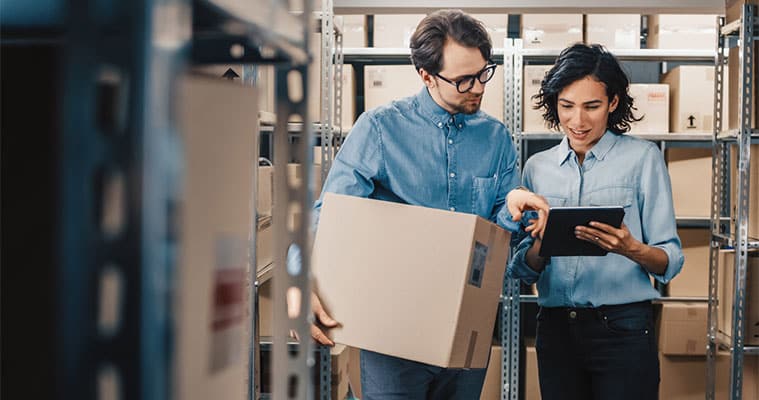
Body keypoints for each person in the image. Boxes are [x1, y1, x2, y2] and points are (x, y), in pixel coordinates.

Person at [308, 10, 549, 399]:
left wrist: (514, 206)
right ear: (425, 75)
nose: (477, 87)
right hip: (392, 331)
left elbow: (496, 233)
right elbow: (330, 214)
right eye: (462, 80)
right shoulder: (381, 129)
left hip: (467, 326)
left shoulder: (496, 138)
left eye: (483, 73)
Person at [507, 43, 684, 400]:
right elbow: (522, 271)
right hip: (556, 330)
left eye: (592, 106)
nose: (578, 121)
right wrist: (542, 243)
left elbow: (671, 260)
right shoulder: (536, 168)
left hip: (623, 328)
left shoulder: (643, 159)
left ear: (613, 103)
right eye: (567, 106)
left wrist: (631, 249)